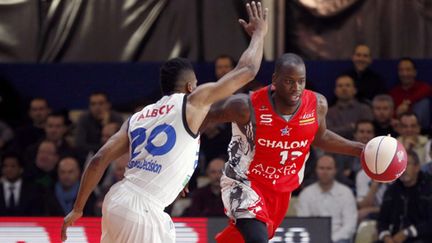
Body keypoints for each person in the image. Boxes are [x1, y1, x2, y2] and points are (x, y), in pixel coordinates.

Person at [61, 2, 268, 242]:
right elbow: (248, 70)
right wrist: (259, 34)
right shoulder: (193, 102)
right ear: (191, 86)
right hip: (143, 207)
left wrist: (78, 208)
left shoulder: (137, 117)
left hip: (117, 200)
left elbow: (99, 159)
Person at [206, 53, 364, 243]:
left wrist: (358, 149)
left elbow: (320, 137)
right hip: (243, 180)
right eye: (289, 81)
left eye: (301, 81)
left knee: (239, 239)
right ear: (275, 80)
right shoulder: (247, 106)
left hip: (280, 189)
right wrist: (185, 166)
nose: (296, 88)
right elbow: (202, 115)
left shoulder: (317, 104)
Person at [297, 155, 357, 243]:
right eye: (321, 168)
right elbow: (304, 223)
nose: (325, 172)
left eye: (329, 168)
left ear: (335, 170)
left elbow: (350, 225)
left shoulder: (346, 193)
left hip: (339, 239)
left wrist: (330, 240)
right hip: (313, 239)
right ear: (316, 170)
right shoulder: (306, 194)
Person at [376, 150, 432, 243]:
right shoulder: (392, 190)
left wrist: (407, 233)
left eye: (406, 165)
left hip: (422, 238)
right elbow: (382, 220)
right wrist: (385, 236)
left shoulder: (429, 187)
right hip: (393, 238)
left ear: (417, 167)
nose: (403, 169)